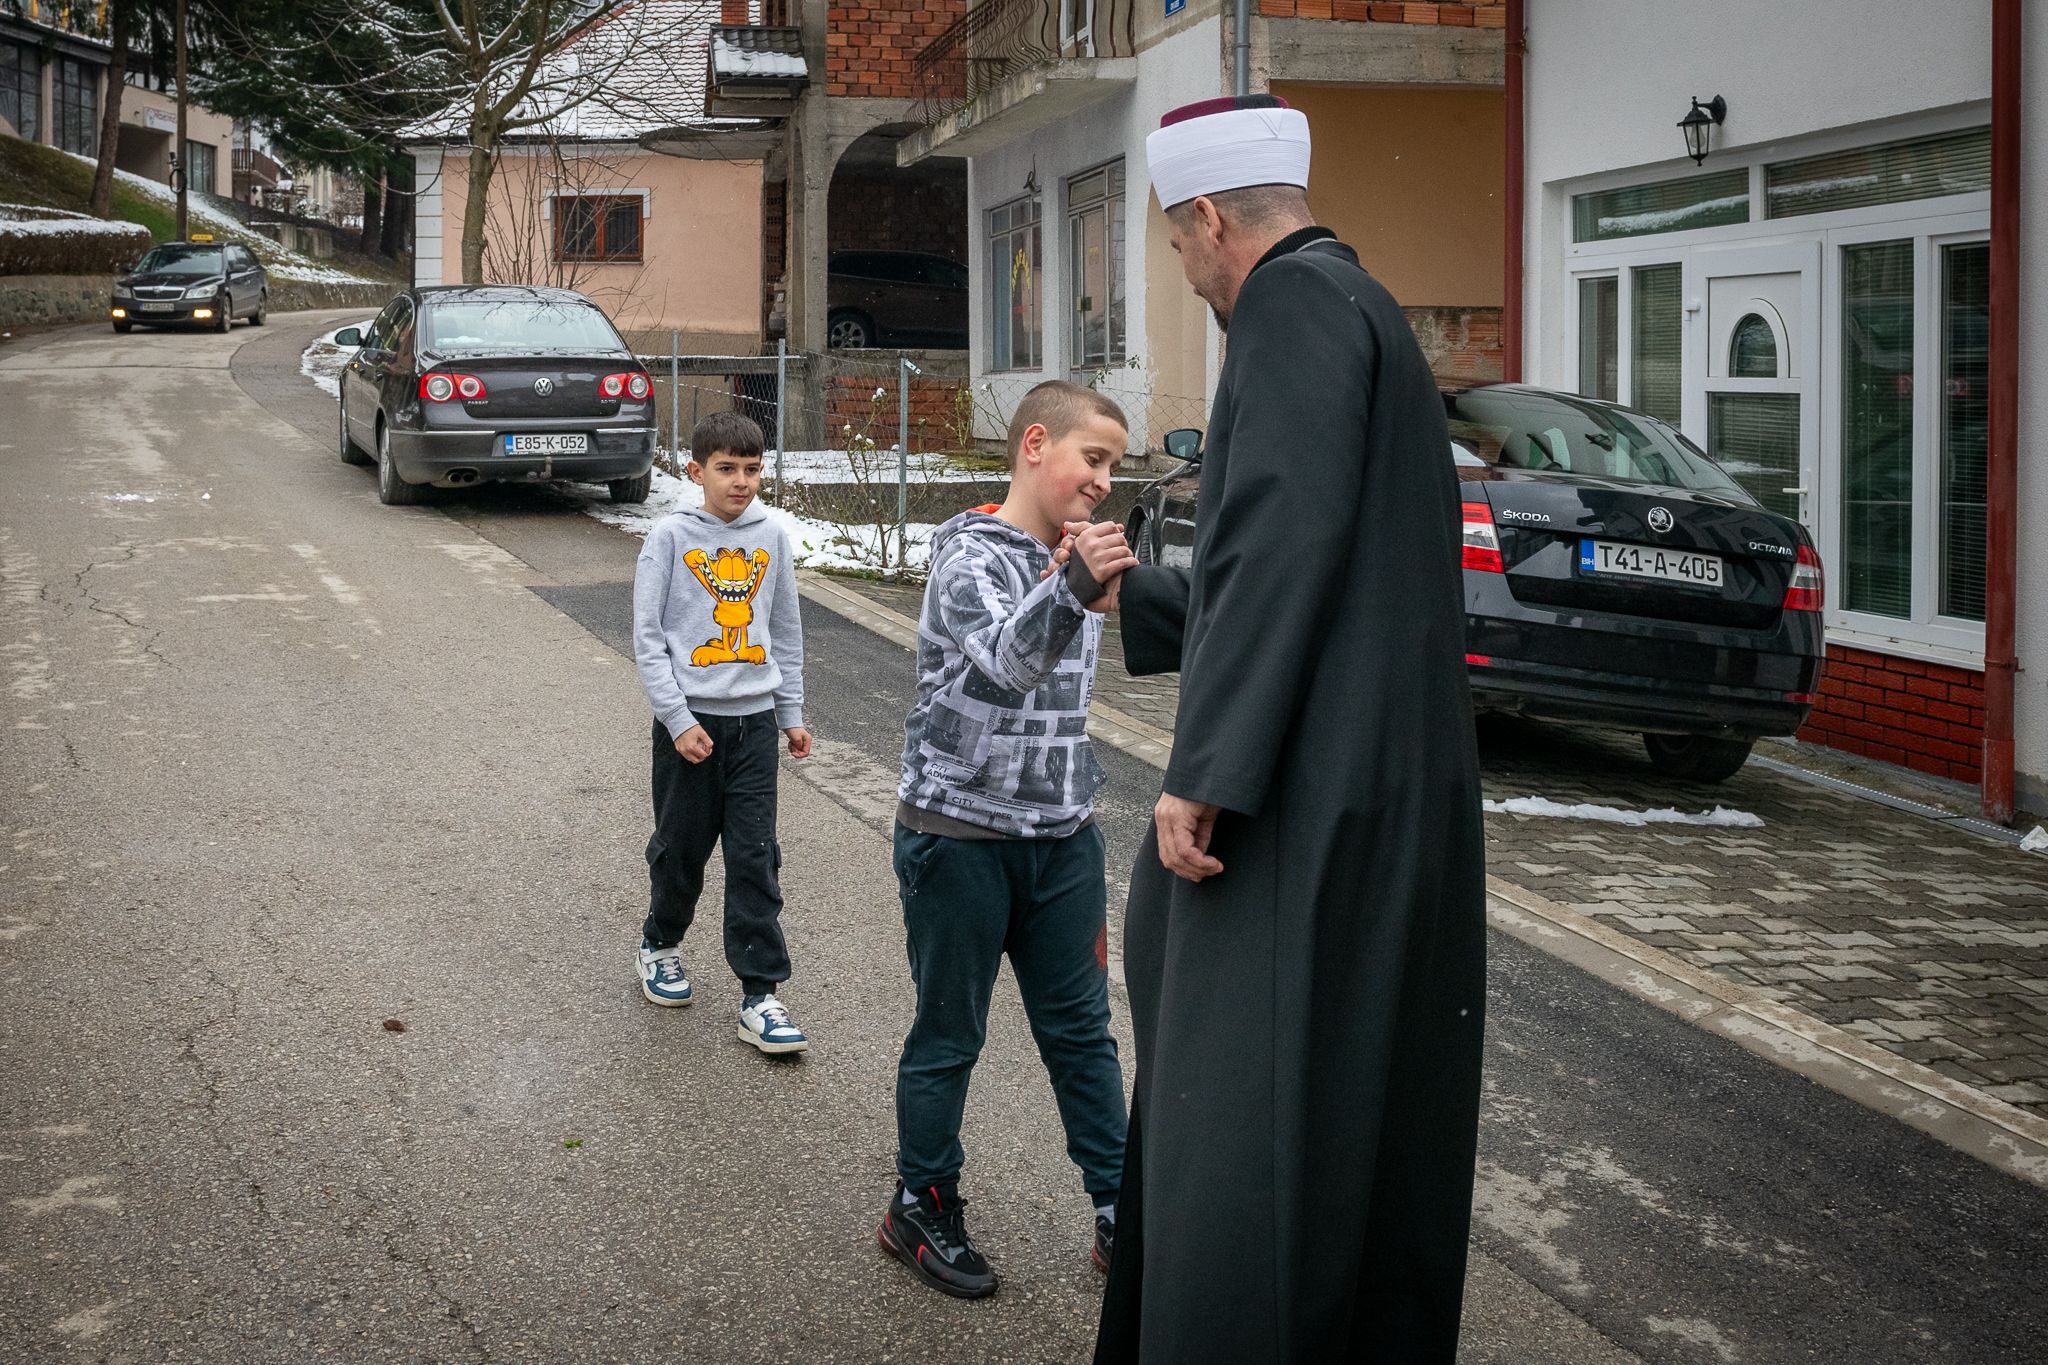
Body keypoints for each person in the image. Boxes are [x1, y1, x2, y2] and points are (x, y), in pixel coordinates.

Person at [1090, 95, 1488, 1362]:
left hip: (1307, 809)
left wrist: (1204, 769)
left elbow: (1275, 550)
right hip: (1376, 785)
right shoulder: (1366, 307)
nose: (1187, 272)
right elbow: (1326, 566)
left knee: (1246, 1132)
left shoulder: (1289, 307)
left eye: (1174, 245)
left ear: (1208, 219)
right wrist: (1140, 593)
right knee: (1346, 1124)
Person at [878, 380, 1139, 1300]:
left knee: (1083, 1037)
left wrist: (1093, 583)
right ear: (1036, 444)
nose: (1106, 480)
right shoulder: (971, 561)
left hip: (1062, 837)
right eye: (1093, 458)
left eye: (1114, 464)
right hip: (958, 837)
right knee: (950, 1034)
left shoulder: (1069, 560)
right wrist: (1071, 584)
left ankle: (1121, 1214)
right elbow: (1004, 668)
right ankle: (921, 1200)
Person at [631, 411, 814, 1056]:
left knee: (754, 856)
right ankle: (660, 942)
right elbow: (649, 638)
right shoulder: (670, 537)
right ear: (696, 471)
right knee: (682, 848)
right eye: (726, 469)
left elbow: (786, 633)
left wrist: (789, 714)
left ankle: (760, 993)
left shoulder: (772, 539)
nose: (741, 482)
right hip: (691, 727)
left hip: (755, 726)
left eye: (752, 469)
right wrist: (678, 720)